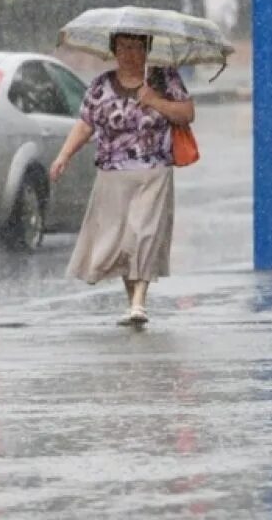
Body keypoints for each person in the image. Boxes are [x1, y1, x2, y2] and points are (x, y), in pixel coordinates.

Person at [52, 32, 195, 326]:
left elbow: (186, 113)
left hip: (153, 170)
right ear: (114, 50)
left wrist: (155, 100)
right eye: (123, 48)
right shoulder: (101, 85)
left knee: (143, 234)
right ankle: (134, 303)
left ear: (147, 50)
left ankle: (140, 302)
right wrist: (63, 156)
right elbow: (85, 124)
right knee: (119, 243)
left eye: (136, 47)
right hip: (112, 173)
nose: (129, 54)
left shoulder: (163, 79)